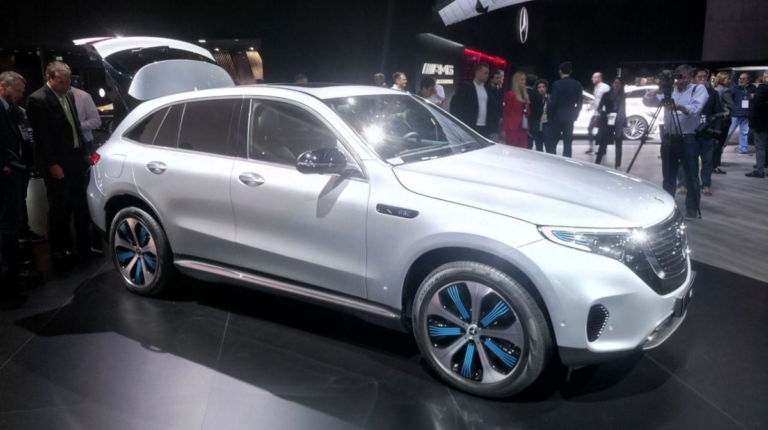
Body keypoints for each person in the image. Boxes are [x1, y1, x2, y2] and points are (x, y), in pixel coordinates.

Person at [25, 62, 91, 262]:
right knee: (59, 207)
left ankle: (85, 246)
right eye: (60, 82)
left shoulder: (68, 95)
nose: (65, 85)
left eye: (67, 81)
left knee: (81, 204)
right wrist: (52, 164)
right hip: (57, 162)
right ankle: (59, 248)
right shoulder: (37, 100)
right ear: (49, 78)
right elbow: (41, 137)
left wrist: (85, 153)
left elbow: (76, 127)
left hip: (76, 158)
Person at [643, 64, 708, 220]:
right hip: (669, 137)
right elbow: (647, 102)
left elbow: (695, 109)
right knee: (668, 177)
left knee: (691, 176)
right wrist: (654, 92)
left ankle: (692, 209)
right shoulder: (669, 91)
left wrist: (678, 107)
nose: (680, 81)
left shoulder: (698, 89)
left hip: (688, 138)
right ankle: (668, 210)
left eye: (684, 78)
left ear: (691, 77)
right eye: (678, 78)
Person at [0, 71, 42, 294]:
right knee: (7, 223)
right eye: (16, 90)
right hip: (6, 173)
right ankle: (9, 273)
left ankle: (14, 267)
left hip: (17, 168)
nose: (20, 94)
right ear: (2, 86)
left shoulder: (13, 109)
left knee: (14, 220)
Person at [677, 68, 722, 196]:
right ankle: (682, 184)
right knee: (685, 160)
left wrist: (716, 132)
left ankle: (706, 184)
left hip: (706, 131)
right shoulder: (686, 92)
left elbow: (718, 113)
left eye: (705, 77)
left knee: (707, 160)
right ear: (693, 78)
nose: (703, 79)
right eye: (699, 77)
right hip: (689, 132)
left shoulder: (712, 93)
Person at [449, 63, 502, 139]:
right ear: (478, 73)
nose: (487, 76)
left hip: (485, 127)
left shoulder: (487, 88)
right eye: (485, 73)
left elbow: (491, 107)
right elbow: (456, 106)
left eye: (487, 73)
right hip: (470, 125)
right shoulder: (466, 87)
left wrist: (497, 118)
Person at [546, 61, 582, 157]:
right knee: (567, 143)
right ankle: (567, 161)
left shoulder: (556, 84)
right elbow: (580, 103)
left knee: (552, 142)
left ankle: (553, 160)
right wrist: (575, 115)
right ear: (570, 71)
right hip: (570, 118)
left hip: (557, 117)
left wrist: (550, 116)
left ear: (560, 71)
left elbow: (554, 102)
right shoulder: (577, 84)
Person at [595, 77, 627, 170]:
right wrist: (606, 114)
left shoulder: (623, 95)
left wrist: (625, 124)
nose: (616, 85)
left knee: (619, 143)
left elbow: (624, 109)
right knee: (603, 142)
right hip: (608, 120)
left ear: (621, 85)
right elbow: (599, 108)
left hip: (619, 121)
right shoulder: (607, 95)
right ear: (612, 84)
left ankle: (618, 165)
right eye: (615, 83)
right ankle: (597, 162)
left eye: (618, 83)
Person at [725, 73, 756, 155]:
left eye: (743, 79)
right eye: (740, 78)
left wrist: (755, 95)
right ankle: (720, 146)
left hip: (746, 113)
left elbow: (755, 98)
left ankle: (743, 149)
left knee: (744, 133)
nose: (741, 80)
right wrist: (731, 107)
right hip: (735, 113)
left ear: (748, 80)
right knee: (729, 131)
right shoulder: (734, 88)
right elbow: (728, 98)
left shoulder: (752, 88)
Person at [746, 69, 768, 178]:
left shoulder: (763, 88)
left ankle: (760, 170)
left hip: (762, 123)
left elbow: (757, 107)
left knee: (760, 146)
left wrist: (753, 122)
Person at [500, 72, 530, 148]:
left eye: (525, 79)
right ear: (516, 81)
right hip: (512, 128)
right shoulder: (510, 95)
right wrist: (504, 129)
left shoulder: (525, 96)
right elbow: (506, 113)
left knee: (523, 149)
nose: (524, 81)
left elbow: (528, 113)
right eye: (521, 79)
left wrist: (527, 104)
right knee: (512, 149)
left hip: (523, 128)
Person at [712, 71, 733, 174]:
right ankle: (715, 165)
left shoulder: (714, 89)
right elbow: (732, 105)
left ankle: (712, 164)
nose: (729, 80)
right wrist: (728, 106)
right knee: (720, 143)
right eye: (727, 79)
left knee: (714, 142)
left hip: (715, 119)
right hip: (724, 118)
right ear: (722, 80)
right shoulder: (725, 90)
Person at [586, 72, 611, 154]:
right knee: (590, 128)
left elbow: (608, 101)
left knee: (602, 131)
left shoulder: (605, 87)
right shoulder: (595, 88)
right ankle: (591, 148)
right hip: (596, 112)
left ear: (600, 78)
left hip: (603, 113)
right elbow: (596, 100)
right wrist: (590, 107)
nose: (592, 79)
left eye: (594, 77)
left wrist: (606, 112)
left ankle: (603, 149)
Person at [525, 74, 543, 150]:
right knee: (533, 143)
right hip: (533, 123)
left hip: (522, 122)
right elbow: (540, 111)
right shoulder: (537, 95)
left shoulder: (521, 94)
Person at [487, 70, 505, 141]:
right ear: (491, 79)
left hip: (498, 120)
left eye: (500, 78)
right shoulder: (488, 90)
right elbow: (490, 106)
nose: (499, 80)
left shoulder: (499, 90)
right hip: (491, 120)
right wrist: (498, 118)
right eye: (497, 78)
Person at [532, 79, 549, 152]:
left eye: (543, 87)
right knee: (538, 148)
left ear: (546, 88)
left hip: (547, 126)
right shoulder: (534, 99)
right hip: (537, 126)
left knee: (550, 148)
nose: (541, 89)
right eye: (539, 87)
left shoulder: (551, 98)